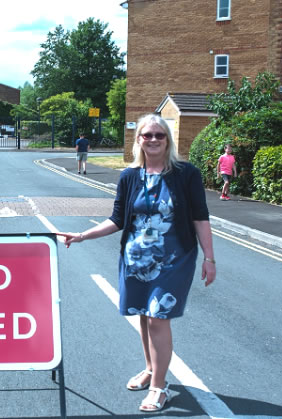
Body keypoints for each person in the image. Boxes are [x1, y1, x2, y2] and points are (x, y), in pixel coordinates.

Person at [56, 114, 216, 413]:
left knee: (157, 317)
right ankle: (150, 368)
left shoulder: (186, 173)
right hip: (135, 259)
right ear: (138, 140)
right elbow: (118, 219)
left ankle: (159, 386)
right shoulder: (130, 176)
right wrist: (82, 235)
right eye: (147, 135)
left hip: (174, 259)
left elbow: (200, 217)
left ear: (168, 140)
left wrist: (209, 257)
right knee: (143, 315)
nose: (153, 140)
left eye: (159, 135)